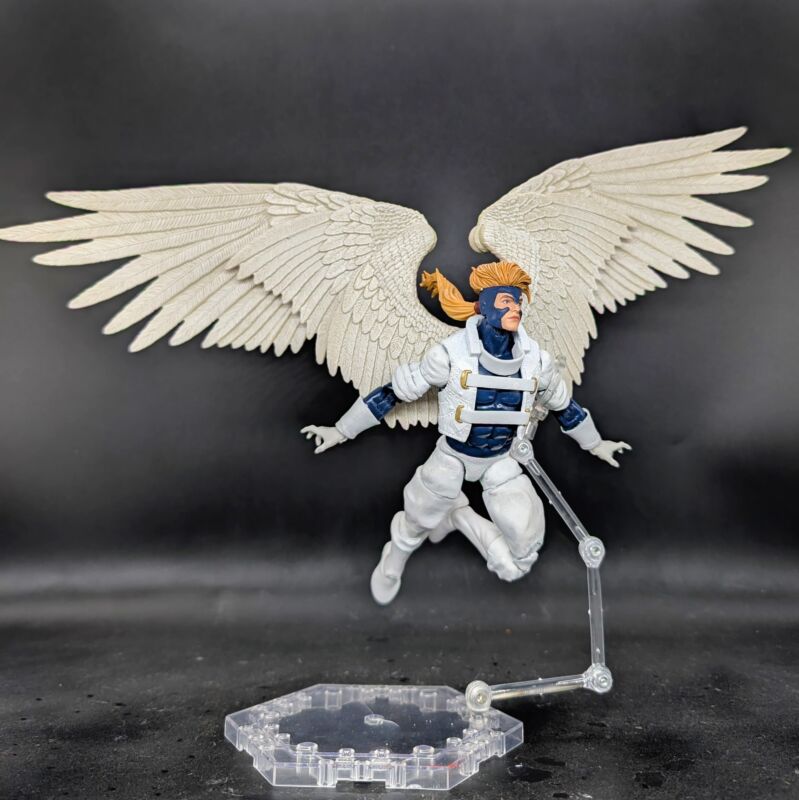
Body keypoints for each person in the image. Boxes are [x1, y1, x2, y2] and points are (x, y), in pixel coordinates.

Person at [303, 261, 629, 604]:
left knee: (520, 560)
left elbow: (564, 406)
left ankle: (459, 515)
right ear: (485, 305)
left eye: (518, 301)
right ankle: (394, 558)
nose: (516, 308)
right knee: (416, 520)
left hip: (501, 460)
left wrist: (596, 443)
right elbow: (392, 393)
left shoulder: (537, 361)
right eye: (506, 301)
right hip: (453, 455)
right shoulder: (449, 355)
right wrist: (341, 430)